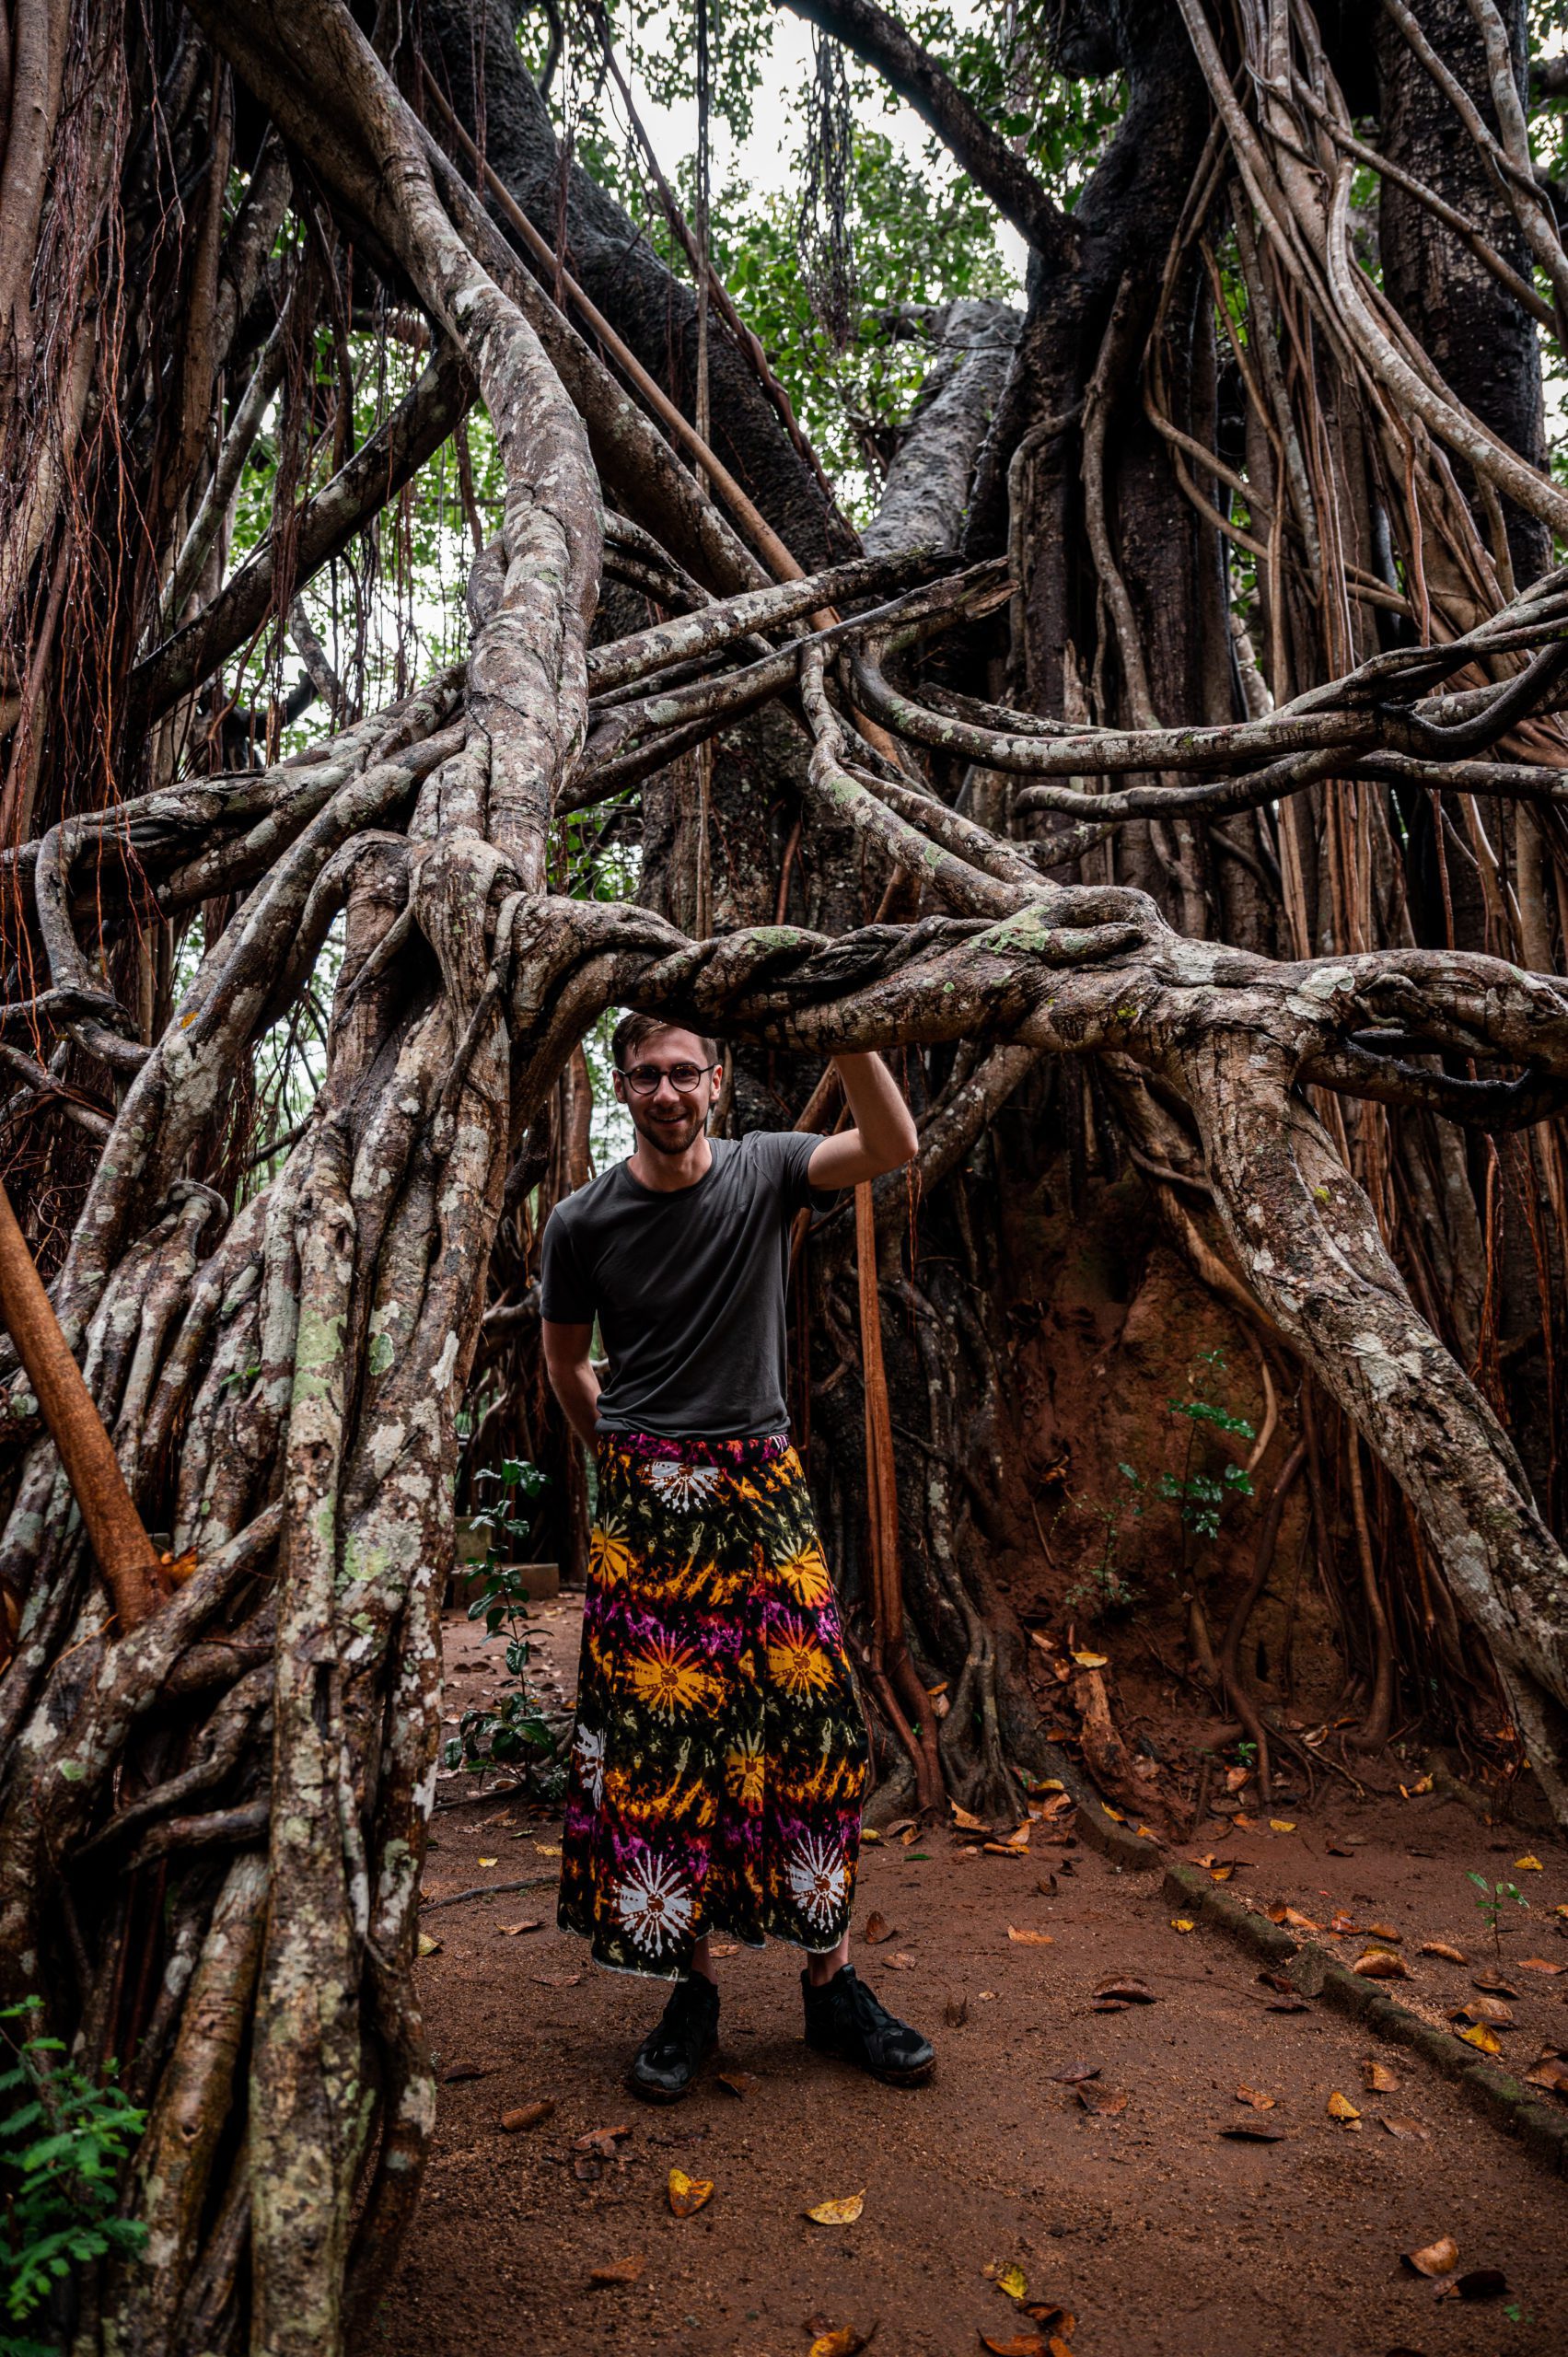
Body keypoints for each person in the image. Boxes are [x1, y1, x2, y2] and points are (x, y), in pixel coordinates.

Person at [540, 1014, 936, 2102]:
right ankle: (692, 1992)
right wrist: (627, 1463)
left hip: (762, 1487)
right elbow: (568, 1365)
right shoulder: (580, 1220)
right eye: (646, 1074)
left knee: (811, 1723)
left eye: (685, 1071)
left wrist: (850, 1025)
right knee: (669, 1745)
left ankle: (831, 1985)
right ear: (618, 1086)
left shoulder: (765, 1168)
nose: (667, 1090)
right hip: (647, 1505)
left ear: (715, 1082)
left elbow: (890, 1145)